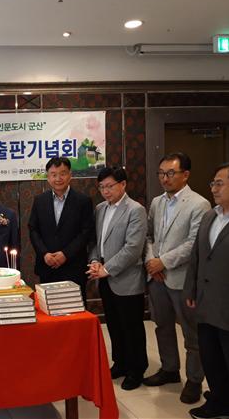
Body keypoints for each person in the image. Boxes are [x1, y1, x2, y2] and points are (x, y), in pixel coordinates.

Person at [183, 161, 229, 419]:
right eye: (213, 183)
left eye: (219, 184)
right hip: (206, 304)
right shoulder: (211, 215)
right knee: (212, 358)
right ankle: (219, 402)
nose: (213, 189)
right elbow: (197, 256)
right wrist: (190, 288)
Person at [143, 152, 210, 404]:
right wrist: (152, 262)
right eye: (161, 173)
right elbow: (149, 236)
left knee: (191, 333)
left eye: (171, 173)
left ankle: (194, 379)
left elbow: (194, 243)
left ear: (186, 175)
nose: (165, 178)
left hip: (182, 279)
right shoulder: (157, 202)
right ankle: (169, 369)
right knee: (162, 326)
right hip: (157, 277)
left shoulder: (199, 204)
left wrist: (163, 261)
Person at [87, 166, 148, 391]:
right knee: (114, 324)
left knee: (132, 327)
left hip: (127, 279)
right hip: (105, 277)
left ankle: (136, 370)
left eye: (110, 186)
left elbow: (133, 249)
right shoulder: (100, 208)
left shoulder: (136, 210)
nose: (105, 191)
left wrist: (107, 269)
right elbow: (96, 242)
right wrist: (95, 261)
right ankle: (120, 363)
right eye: (101, 187)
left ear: (123, 184)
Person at [28, 157, 94, 302]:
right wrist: (44, 254)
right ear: (48, 177)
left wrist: (65, 254)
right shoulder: (40, 200)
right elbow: (33, 229)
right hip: (47, 267)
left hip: (74, 267)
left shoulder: (83, 201)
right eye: (53, 174)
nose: (58, 178)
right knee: (48, 309)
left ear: (70, 175)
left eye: (62, 173)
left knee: (75, 310)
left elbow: (86, 232)